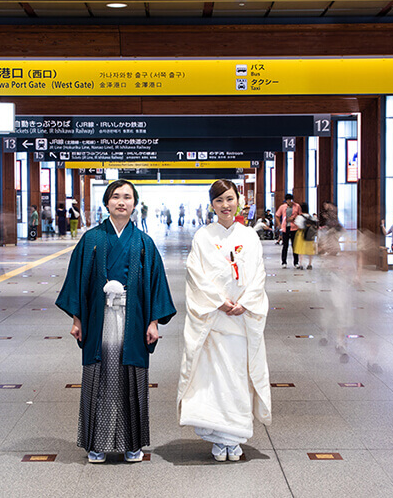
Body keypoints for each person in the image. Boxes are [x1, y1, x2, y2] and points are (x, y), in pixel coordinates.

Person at [56, 179, 176, 464]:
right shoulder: (92, 239)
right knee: (99, 377)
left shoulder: (144, 242)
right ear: (107, 202)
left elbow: (156, 284)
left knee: (131, 379)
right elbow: (78, 283)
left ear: (135, 204)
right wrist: (77, 319)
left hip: (133, 320)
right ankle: (95, 444)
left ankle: (132, 444)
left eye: (127, 197)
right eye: (116, 197)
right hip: (99, 319)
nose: (121, 202)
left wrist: (154, 322)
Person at [178, 179, 271, 462]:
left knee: (238, 378)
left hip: (241, 321)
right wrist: (219, 301)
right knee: (213, 382)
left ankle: (236, 436)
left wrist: (245, 302)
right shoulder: (203, 237)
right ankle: (219, 439)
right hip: (214, 321)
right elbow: (195, 274)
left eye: (229, 199)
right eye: (219, 201)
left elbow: (259, 274)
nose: (225, 205)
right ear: (212, 205)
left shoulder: (249, 236)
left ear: (238, 200)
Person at [275, 193, 301, 268]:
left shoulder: (297, 206)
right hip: (285, 228)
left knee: (295, 246)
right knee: (285, 245)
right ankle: (284, 262)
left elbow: (300, 215)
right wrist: (279, 224)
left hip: (294, 228)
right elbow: (277, 215)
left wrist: (294, 219)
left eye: (290, 200)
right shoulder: (282, 207)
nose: (289, 201)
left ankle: (296, 262)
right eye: (288, 200)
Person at [293, 202, 317, 270]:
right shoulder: (310, 217)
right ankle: (310, 264)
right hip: (309, 235)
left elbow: (297, 224)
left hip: (301, 234)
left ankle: (301, 264)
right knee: (310, 250)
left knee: (301, 250)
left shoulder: (299, 217)